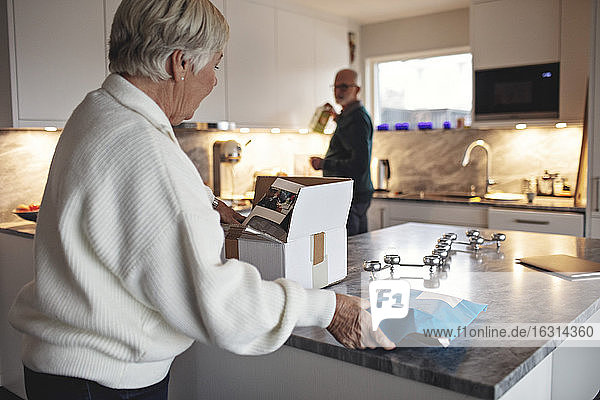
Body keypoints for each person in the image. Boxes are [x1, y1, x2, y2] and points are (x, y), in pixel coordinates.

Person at [8, 1, 393, 399]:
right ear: (180, 64)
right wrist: (328, 308)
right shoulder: (142, 145)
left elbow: (134, 201)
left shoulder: (97, 111)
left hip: (67, 370)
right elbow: (219, 303)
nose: (213, 81)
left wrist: (204, 204)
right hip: (103, 381)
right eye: (216, 64)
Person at [310, 69, 374, 236]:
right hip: (352, 194)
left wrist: (324, 163)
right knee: (356, 247)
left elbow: (358, 164)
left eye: (344, 87)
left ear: (357, 89)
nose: (338, 91)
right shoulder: (350, 115)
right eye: (336, 87)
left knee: (350, 249)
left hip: (351, 196)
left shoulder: (357, 119)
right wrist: (336, 117)